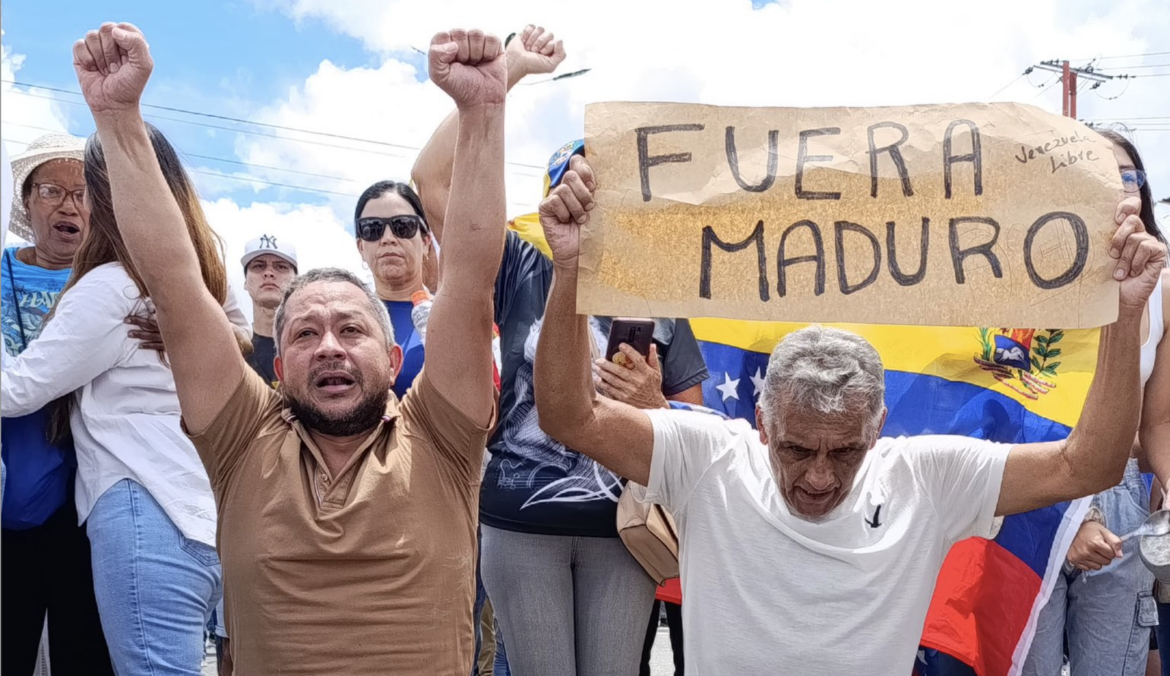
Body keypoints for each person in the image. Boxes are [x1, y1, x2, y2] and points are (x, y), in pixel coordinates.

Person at [531, 154, 1166, 674]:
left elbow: (1091, 464)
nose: (819, 478)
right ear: (762, 424)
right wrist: (571, 271)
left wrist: (1126, 312)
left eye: (846, 452)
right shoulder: (710, 457)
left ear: (879, 428)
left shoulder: (925, 476)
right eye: (797, 450)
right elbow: (569, 416)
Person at [70, 21, 506, 674]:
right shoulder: (244, 437)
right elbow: (175, 284)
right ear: (278, 368)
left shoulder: (443, 437)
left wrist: (482, 113)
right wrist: (117, 117)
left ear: (394, 364)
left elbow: (469, 280)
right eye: (305, 333)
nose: (329, 345)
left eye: (352, 329)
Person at [415, 39, 708, 671]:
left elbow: (697, 430)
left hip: (625, 525)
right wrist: (508, 74)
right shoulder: (516, 263)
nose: (584, 195)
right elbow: (433, 182)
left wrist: (654, 405)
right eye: (569, 179)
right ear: (547, 195)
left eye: (596, 181)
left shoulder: (654, 294)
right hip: (520, 516)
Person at [1020, 130, 1169, 676]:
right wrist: (1070, 508)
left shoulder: (1165, 287)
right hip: (1030, 483)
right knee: (1025, 663)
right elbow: (1004, 400)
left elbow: (1161, 419)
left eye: (1128, 174)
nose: (1118, 186)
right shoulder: (1016, 280)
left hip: (1125, 497)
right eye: (1099, 172)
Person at [1, 133, 114, 676]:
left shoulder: (107, 283)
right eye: (53, 190)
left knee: (82, 648)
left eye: (84, 193)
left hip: (83, 497)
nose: (70, 205)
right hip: (8, 483)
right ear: (27, 201)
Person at [241, 233, 298, 387]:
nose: (269, 273)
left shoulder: (313, 345)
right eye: (258, 266)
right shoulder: (233, 348)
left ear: (296, 282)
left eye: (281, 266)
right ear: (245, 282)